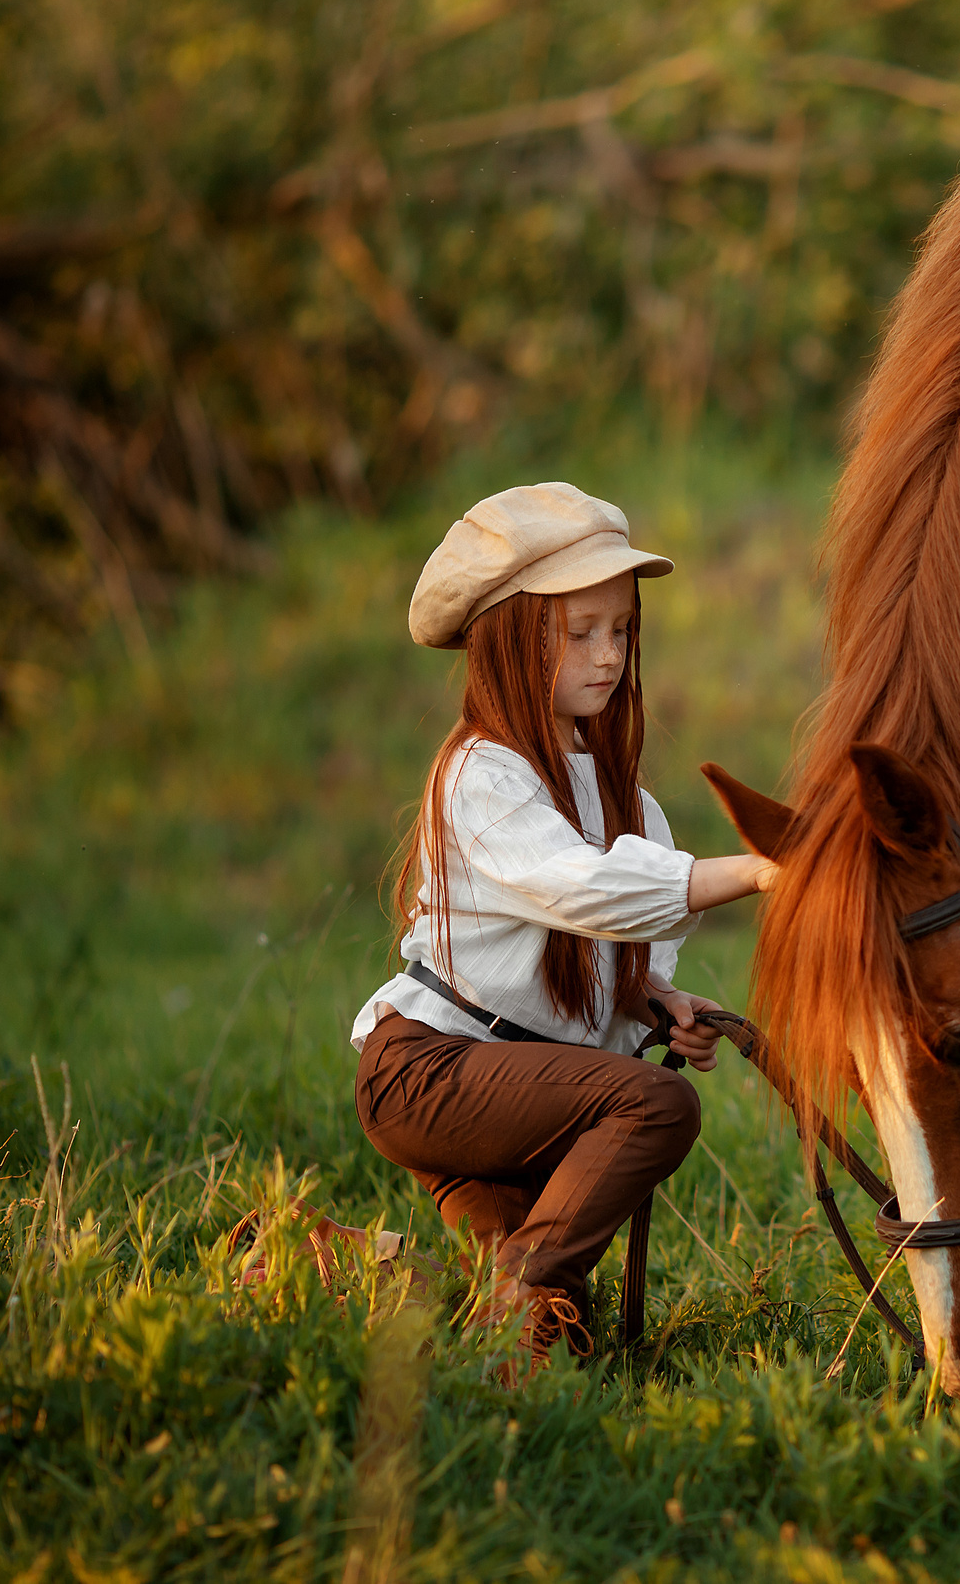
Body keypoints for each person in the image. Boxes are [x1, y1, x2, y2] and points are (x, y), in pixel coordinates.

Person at [349, 482, 775, 1374]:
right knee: (655, 1104)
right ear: (512, 638)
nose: (608, 654)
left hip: (515, 1099)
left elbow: (600, 967)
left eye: (621, 629)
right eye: (579, 631)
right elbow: (579, 889)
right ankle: (514, 1295)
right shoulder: (480, 773)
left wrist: (656, 1003)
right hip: (429, 1073)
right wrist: (755, 869)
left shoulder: (634, 807)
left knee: (539, 1319)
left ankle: (323, 1261)